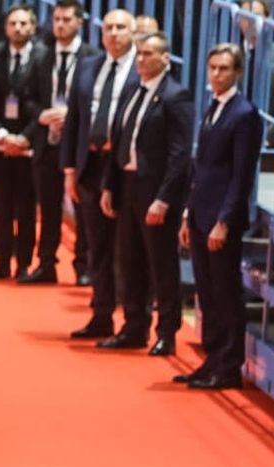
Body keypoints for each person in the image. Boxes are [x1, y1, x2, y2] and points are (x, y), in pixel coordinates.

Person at [98, 31, 191, 355]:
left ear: (166, 58)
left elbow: (180, 154)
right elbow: (118, 141)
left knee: (161, 265)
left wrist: (164, 198)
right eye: (139, 54)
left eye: (149, 54)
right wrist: (109, 185)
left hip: (156, 192)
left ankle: (166, 331)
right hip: (128, 186)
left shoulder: (176, 96)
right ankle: (134, 325)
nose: (141, 59)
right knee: (130, 260)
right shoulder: (132, 92)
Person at [179, 44, 260, 390]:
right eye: (212, 68)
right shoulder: (213, 107)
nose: (216, 74)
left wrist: (224, 221)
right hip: (200, 214)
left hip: (220, 220)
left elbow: (241, 176)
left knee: (226, 293)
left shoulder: (244, 114)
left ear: (238, 72)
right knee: (207, 293)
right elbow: (201, 169)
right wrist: (187, 214)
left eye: (224, 69)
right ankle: (211, 360)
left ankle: (228, 367)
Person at [64, 8, 138, 339]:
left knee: (129, 248)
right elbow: (74, 120)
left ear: (132, 32)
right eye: (108, 27)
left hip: (125, 168)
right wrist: (69, 169)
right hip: (90, 166)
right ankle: (101, 314)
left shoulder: (141, 69)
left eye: (121, 27)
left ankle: (134, 321)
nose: (113, 33)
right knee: (97, 245)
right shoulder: (89, 65)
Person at [25, 0, 96, 285]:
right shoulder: (41, 56)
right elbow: (26, 96)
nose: (60, 24)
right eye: (56, 19)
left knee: (81, 207)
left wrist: (72, 114)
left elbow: (97, 99)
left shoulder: (93, 58)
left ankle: (83, 266)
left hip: (78, 143)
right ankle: (45, 263)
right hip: (47, 141)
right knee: (49, 206)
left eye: (66, 19)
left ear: (80, 22)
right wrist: (41, 114)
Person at [0, 5, 43, 282]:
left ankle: (24, 263)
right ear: (5, 28)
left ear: (33, 27)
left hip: (29, 143)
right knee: (2, 206)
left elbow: (45, 103)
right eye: (13, 23)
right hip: (0, 143)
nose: (18, 28)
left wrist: (25, 136)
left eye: (23, 23)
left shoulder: (42, 60)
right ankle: (3, 261)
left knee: (26, 207)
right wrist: (2, 135)